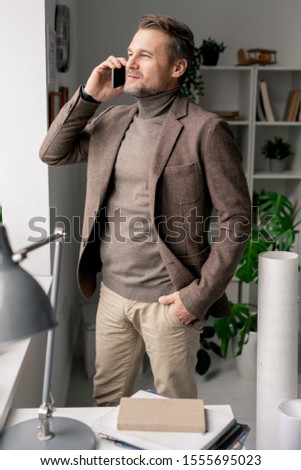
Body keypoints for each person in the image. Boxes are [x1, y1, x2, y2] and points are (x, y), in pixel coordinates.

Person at [40, 14, 251, 406]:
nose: (130, 62)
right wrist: (88, 96)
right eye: (129, 52)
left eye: (145, 55)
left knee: (176, 413)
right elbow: (52, 153)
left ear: (177, 68)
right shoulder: (112, 120)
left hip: (170, 302)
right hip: (112, 295)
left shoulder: (205, 130)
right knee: (106, 405)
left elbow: (237, 220)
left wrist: (198, 297)